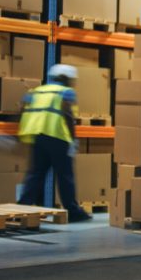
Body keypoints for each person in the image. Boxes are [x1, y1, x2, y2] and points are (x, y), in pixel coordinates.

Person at [16, 64, 91, 222]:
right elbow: (67, 114)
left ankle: (22, 207)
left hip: (37, 136)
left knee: (35, 173)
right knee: (65, 175)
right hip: (57, 136)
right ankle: (73, 211)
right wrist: (73, 139)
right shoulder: (66, 92)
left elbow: (22, 108)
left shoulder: (36, 91)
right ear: (67, 79)